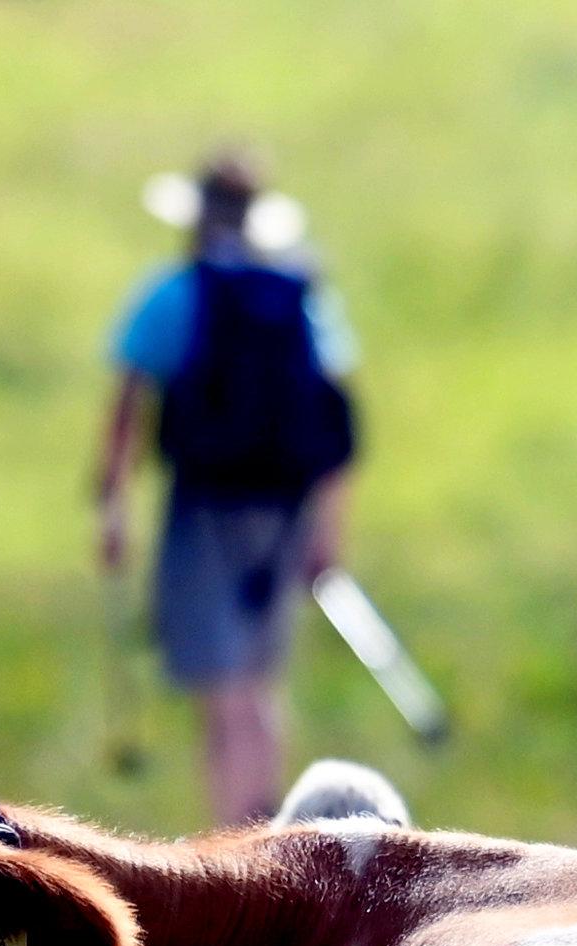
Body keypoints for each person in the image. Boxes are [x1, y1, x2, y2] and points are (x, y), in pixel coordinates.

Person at [93, 152, 361, 825]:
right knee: (260, 680)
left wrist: (113, 511)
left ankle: (237, 835)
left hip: (206, 506)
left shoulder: (175, 293)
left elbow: (127, 405)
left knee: (222, 684)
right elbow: (334, 413)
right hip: (287, 508)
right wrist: (328, 529)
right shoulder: (298, 297)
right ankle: (261, 818)